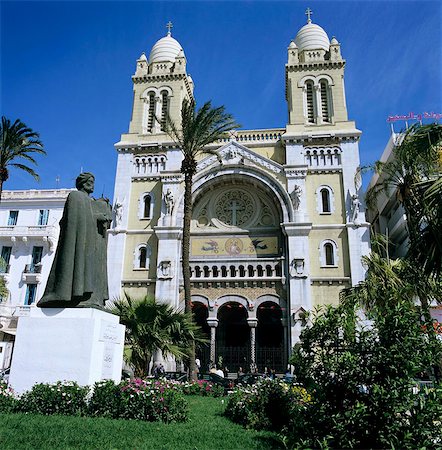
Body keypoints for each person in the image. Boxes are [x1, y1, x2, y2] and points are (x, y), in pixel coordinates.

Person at [37, 172, 112, 308]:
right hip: (78, 242)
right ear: (82, 183)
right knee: (77, 266)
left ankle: (89, 297)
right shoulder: (76, 196)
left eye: (93, 182)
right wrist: (97, 217)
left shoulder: (91, 201)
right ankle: (72, 295)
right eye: (89, 182)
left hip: (89, 243)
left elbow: (88, 217)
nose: (92, 185)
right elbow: (76, 220)